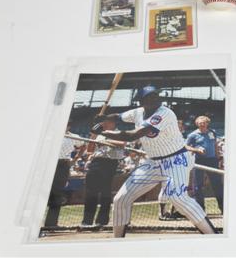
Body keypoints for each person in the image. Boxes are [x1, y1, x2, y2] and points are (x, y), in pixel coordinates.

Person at [92, 85, 217, 237]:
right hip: (152, 162)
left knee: (178, 198)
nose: (155, 99)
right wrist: (104, 117)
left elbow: (132, 135)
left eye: (156, 95)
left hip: (175, 160)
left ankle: (213, 235)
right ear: (141, 101)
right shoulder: (138, 112)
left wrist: (103, 132)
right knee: (121, 199)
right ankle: (118, 241)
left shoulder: (164, 113)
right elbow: (118, 116)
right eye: (150, 97)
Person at [80, 119, 125, 229]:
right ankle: (87, 221)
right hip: (96, 162)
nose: (103, 124)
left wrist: (105, 141)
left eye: (106, 122)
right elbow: (90, 150)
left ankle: (102, 221)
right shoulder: (99, 134)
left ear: (113, 123)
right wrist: (93, 136)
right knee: (91, 193)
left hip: (110, 163)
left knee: (106, 193)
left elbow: (123, 143)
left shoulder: (119, 133)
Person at [44, 120, 83, 227]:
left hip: (63, 165)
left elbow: (84, 145)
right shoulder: (51, 134)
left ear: (68, 126)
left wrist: (75, 158)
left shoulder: (73, 137)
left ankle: (51, 224)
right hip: (48, 163)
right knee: (43, 194)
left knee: (57, 195)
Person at [186, 116, 224, 214]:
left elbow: (215, 145)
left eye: (204, 123)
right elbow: (186, 146)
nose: (202, 124)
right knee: (198, 185)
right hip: (199, 162)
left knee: (217, 185)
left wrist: (218, 157)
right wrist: (196, 150)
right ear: (197, 124)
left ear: (207, 123)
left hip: (212, 161)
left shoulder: (212, 132)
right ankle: (201, 210)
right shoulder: (192, 135)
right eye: (200, 123)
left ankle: (223, 208)